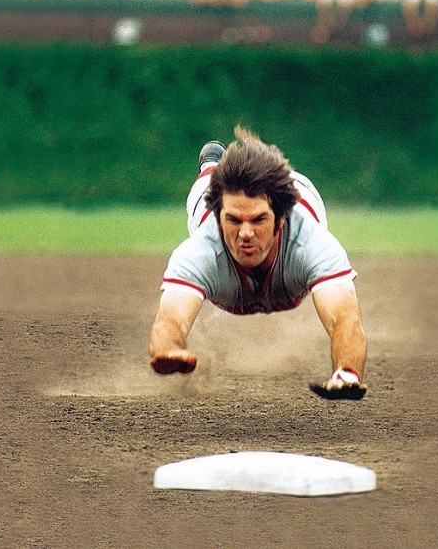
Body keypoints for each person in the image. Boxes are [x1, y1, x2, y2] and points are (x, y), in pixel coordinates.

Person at [148, 126, 368, 400]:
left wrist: (346, 372)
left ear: (280, 219)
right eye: (233, 220)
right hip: (211, 204)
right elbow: (170, 319)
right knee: (203, 187)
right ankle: (211, 165)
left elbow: (344, 320)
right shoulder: (200, 249)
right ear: (218, 218)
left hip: (300, 193)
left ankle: (250, 167)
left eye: (259, 220)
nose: (245, 234)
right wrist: (170, 347)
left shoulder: (313, 243)